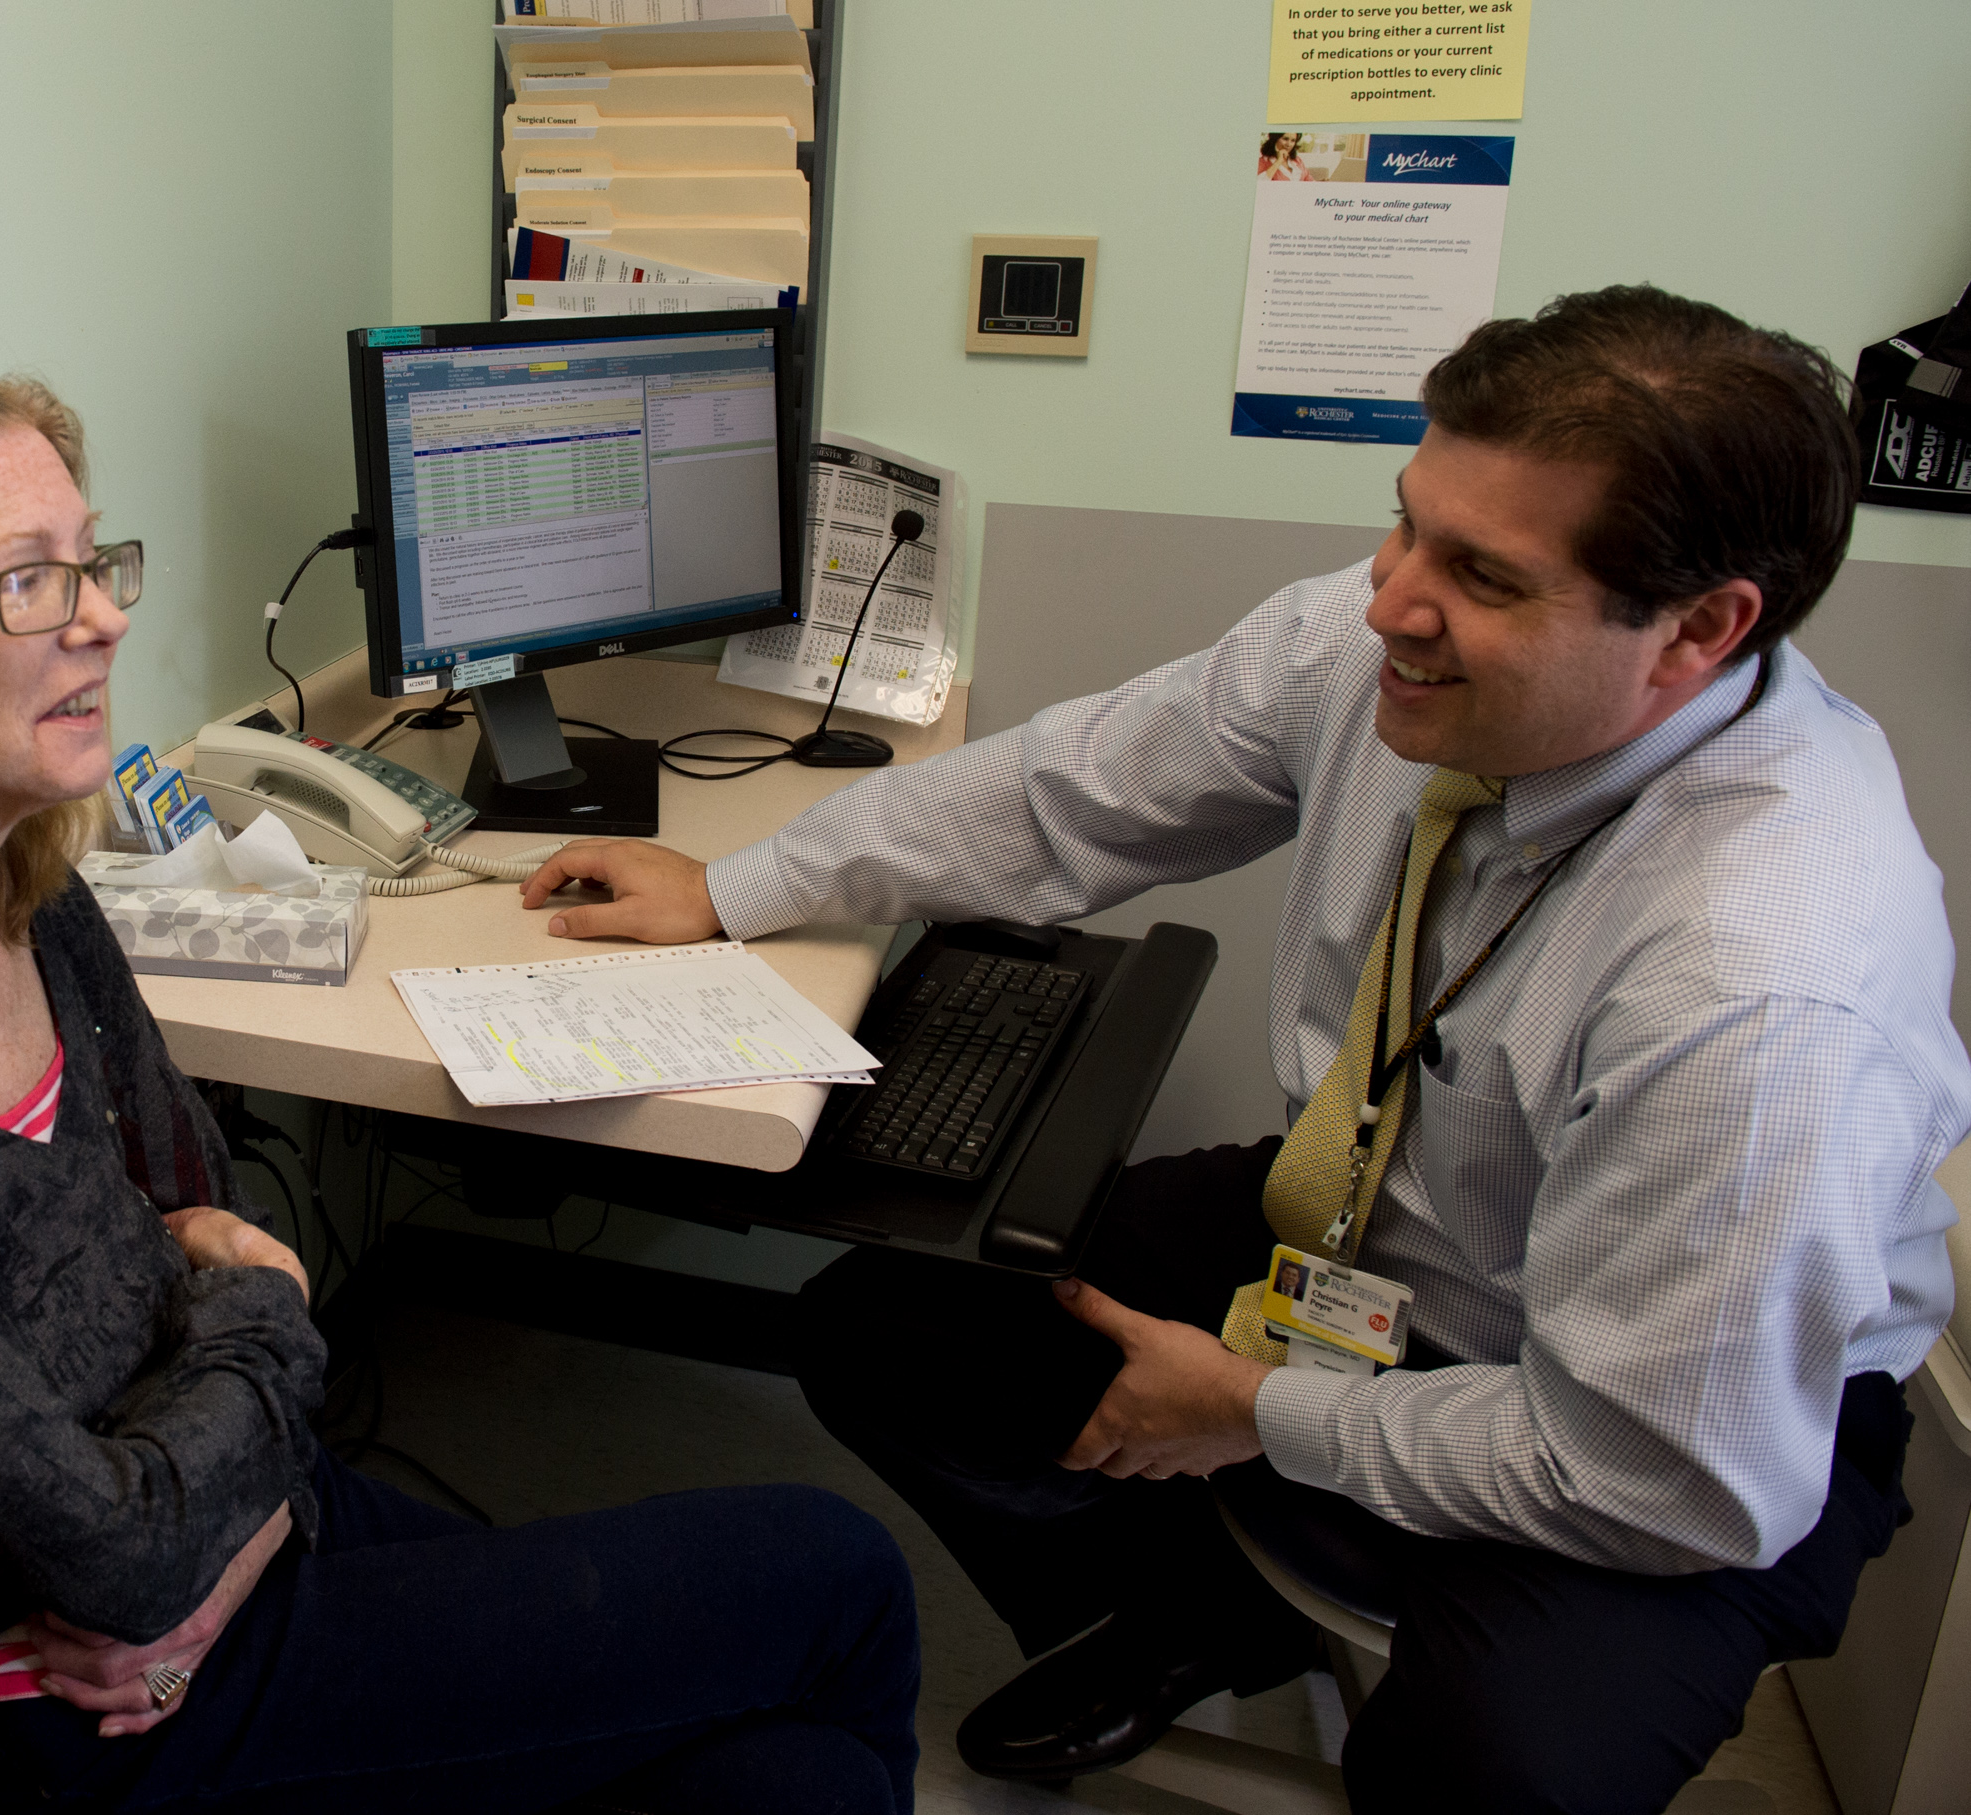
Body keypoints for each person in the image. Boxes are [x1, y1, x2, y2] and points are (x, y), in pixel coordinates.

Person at [518, 286, 1969, 1812]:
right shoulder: (1387, 647)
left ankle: (1234, 1548)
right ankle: (1191, 1621)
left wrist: (1254, 1413)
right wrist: (742, 890)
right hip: (1380, 1230)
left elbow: (1671, 1477)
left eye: (1482, 573)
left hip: (1672, 1404)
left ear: (1701, 629)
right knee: (888, 1331)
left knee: (1497, 1769)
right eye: (1405, 524)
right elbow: (1070, 793)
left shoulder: (1769, 992)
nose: (1390, 601)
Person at [0, 361, 920, 1814]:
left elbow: (198, 1221)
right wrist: (256, 1318)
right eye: (29, 581)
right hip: (56, 1724)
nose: (106, 613)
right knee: (836, 1583)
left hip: (234, 1557)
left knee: (796, 1779)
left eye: (95, 561)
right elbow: (126, 1523)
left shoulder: (25, 898)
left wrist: (222, 1518)